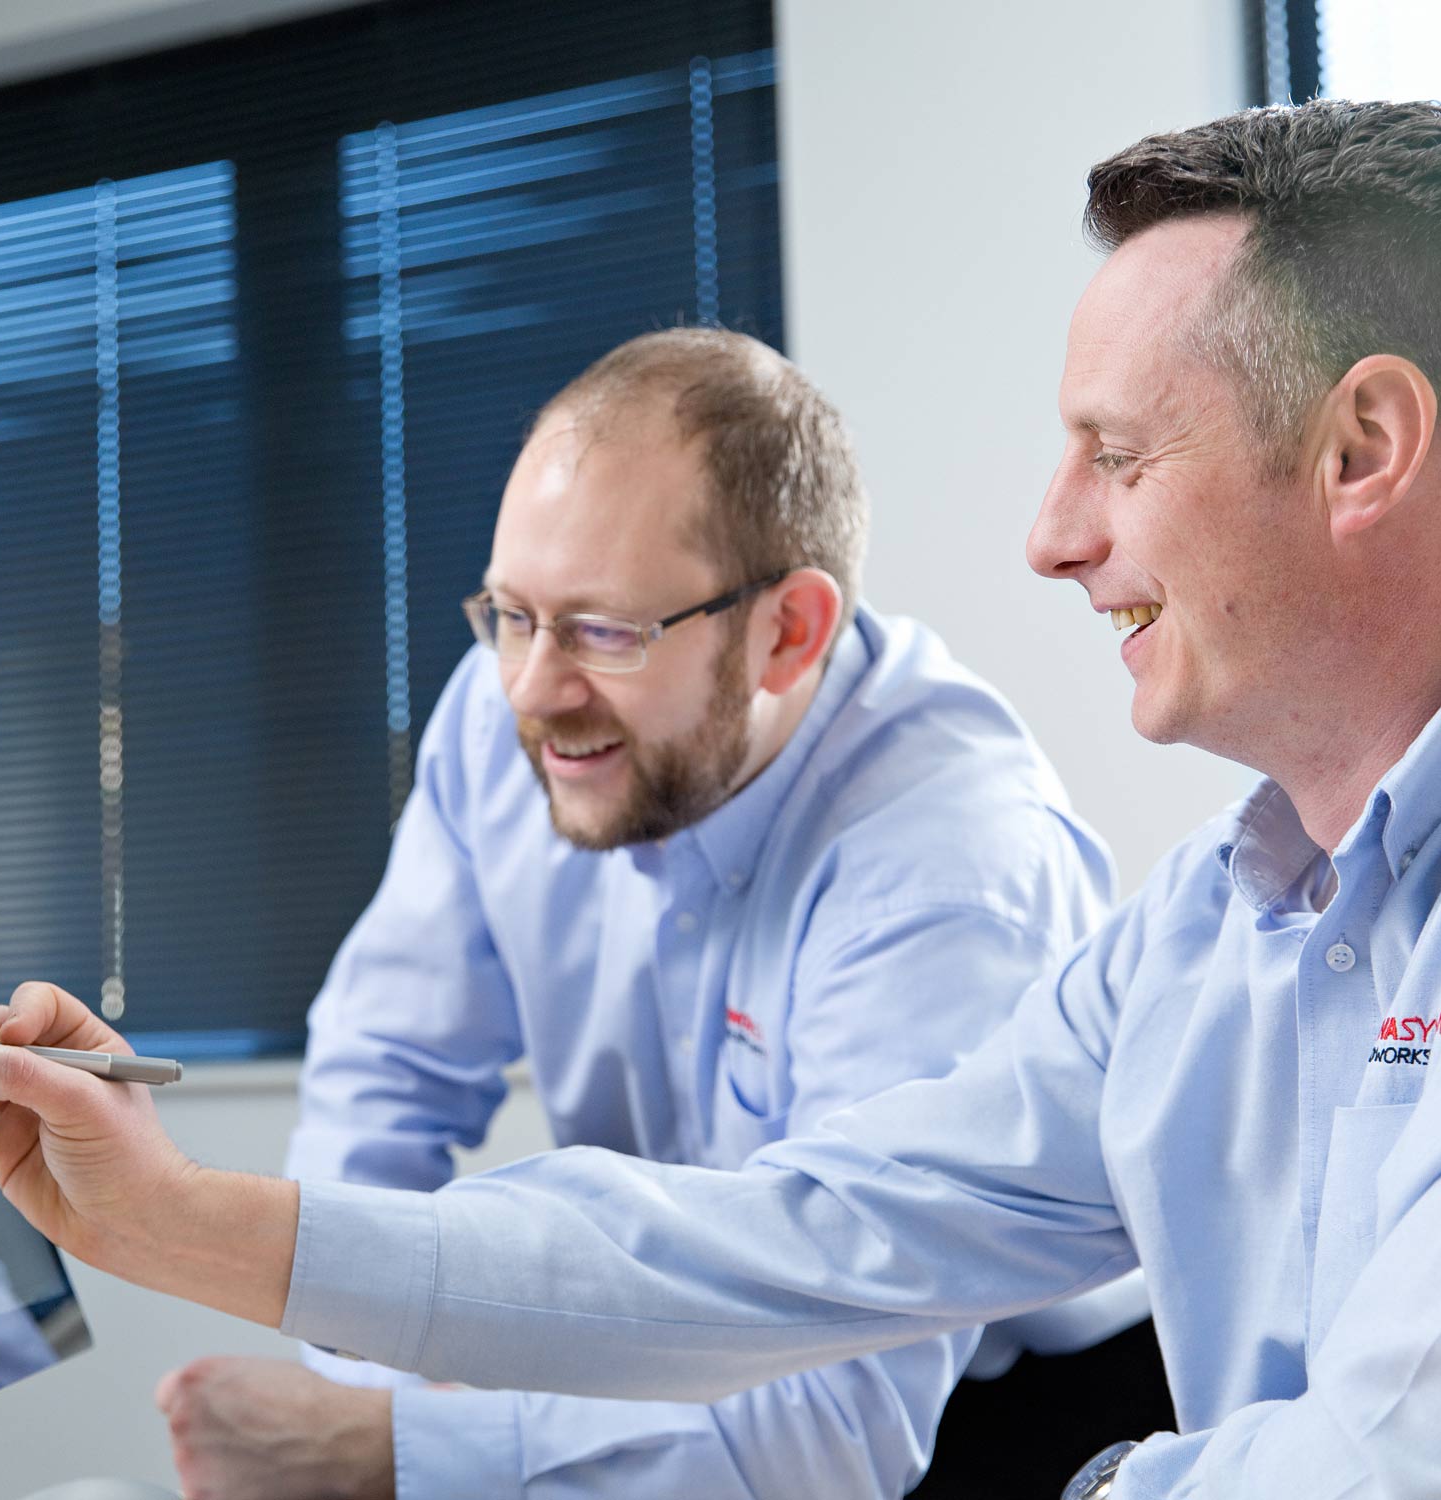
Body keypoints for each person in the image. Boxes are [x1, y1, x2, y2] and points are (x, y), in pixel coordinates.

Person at [0, 98, 1441, 1497]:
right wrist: (184, 1220)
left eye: (1118, 453)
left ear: (1362, 451)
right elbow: (792, 1236)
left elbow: (1424, 1468)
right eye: (513, 622)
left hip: (996, 1406)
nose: (1051, 534)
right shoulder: (1221, 912)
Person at [148, 328, 1132, 1498]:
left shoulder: (949, 868)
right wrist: (371, 1383)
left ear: (789, 632)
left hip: (1001, 1401)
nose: (532, 690)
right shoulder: (502, 716)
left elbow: (835, 1430)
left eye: (603, 631)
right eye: (512, 614)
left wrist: (382, 1456)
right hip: (675, 1337)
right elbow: (387, 1081)